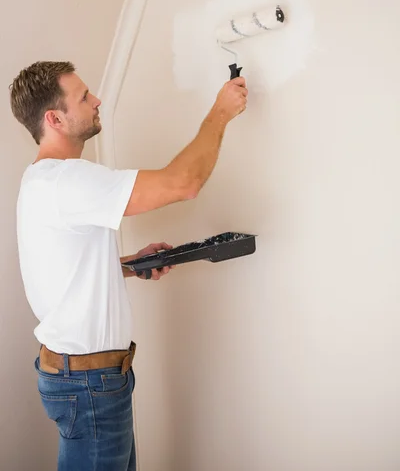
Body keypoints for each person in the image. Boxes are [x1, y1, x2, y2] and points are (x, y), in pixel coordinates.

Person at [9, 60, 248, 471]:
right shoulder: (67, 181)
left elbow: (64, 269)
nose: (97, 100)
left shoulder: (41, 182)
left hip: (82, 378)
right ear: (55, 118)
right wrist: (221, 112)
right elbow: (182, 183)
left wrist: (125, 264)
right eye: (83, 96)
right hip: (89, 384)